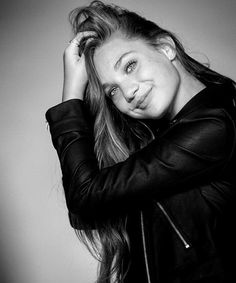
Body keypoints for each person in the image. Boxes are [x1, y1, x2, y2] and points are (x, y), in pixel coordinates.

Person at [46, 1, 236, 282]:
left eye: (130, 65)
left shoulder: (214, 127)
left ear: (165, 47)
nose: (129, 91)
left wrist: (71, 95)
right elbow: (86, 214)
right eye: (112, 91)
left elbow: (85, 197)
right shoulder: (161, 139)